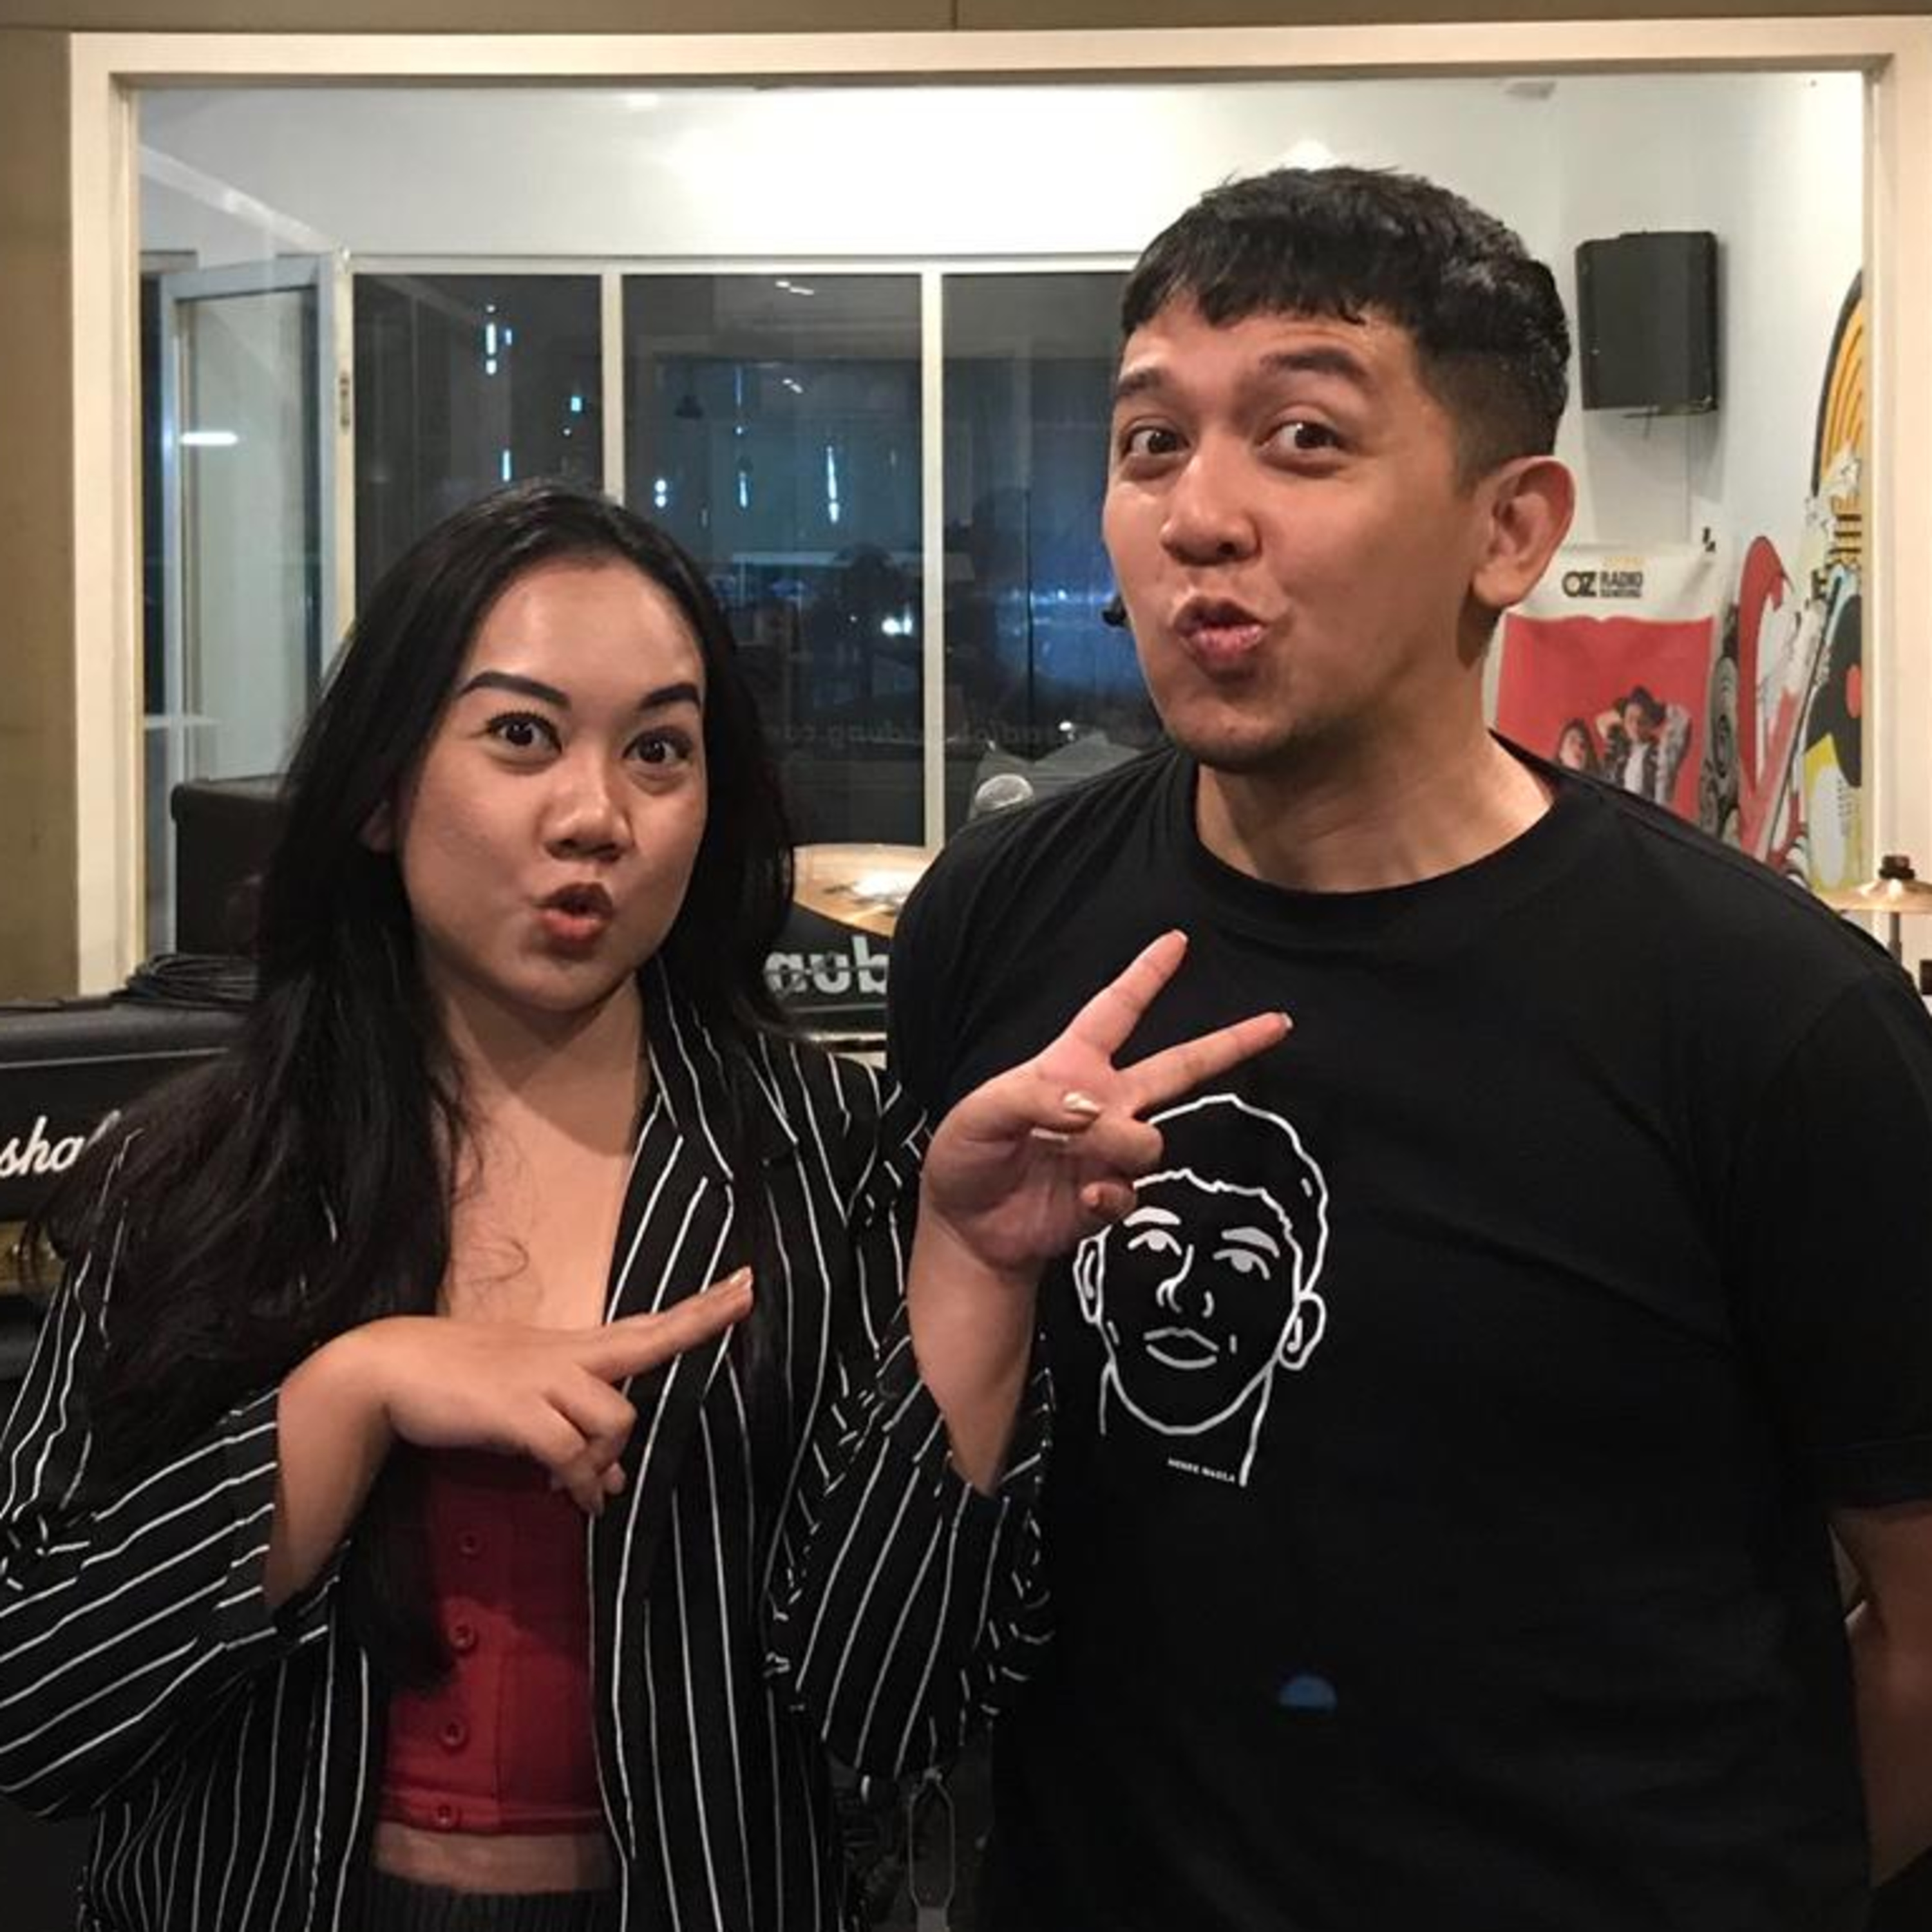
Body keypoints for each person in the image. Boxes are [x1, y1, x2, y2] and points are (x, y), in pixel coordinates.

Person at [0, 480, 1283, 1931]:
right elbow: (37, 1707)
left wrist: (978, 1273)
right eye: (521, 736)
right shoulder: (201, 1169)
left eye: (660, 751)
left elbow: (893, 1713)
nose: (596, 816)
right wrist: (345, 1400)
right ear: (380, 790)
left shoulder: (829, 1153)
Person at [884, 167, 1932, 1931]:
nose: (1199, 516)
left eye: (1303, 437)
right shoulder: (1001, 920)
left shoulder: (1772, 1016)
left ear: (1510, 529)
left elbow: (1919, 1626)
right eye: (1150, 444)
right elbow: (925, 1506)